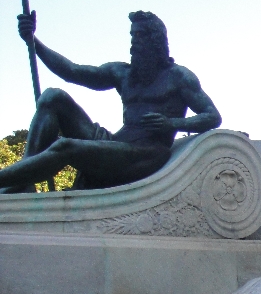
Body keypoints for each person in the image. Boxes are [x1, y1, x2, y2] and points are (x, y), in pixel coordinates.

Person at [0, 10, 222, 192]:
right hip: (116, 144)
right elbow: (72, 71)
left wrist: (171, 123)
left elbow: (212, 116)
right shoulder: (123, 73)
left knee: (65, 147)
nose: (133, 43)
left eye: (140, 37)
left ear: (156, 42)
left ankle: (6, 180)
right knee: (52, 97)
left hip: (145, 153)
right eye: (132, 36)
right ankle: (23, 180)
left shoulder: (179, 77)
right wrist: (33, 42)